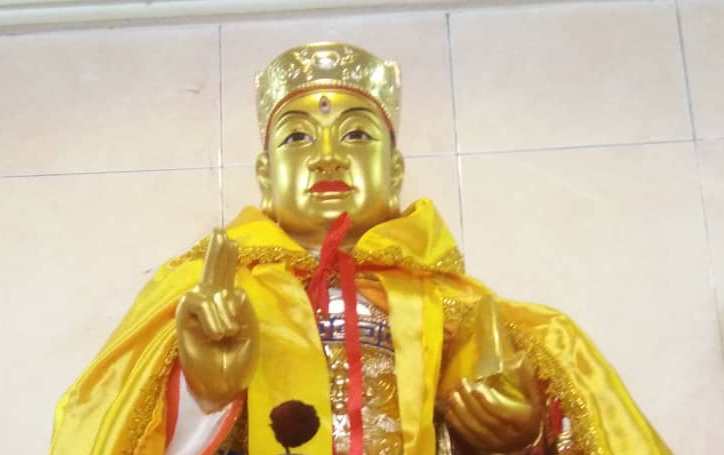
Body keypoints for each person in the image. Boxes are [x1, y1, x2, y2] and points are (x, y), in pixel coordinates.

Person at [50, 42, 671, 455]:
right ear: (265, 177)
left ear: (395, 171)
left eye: (355, 135)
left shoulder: (452, 307)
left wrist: (516, 437)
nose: (327, 157)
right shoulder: (208, 300)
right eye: (298, 138)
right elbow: (114, 431)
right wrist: (203, 395)